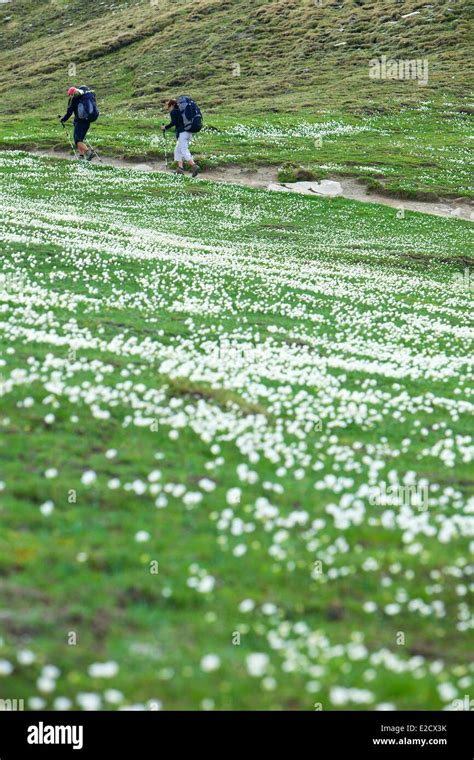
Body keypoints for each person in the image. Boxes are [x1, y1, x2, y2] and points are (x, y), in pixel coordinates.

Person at [162, 99, 200, 177]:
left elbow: (174, 122)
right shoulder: (180, 111)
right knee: (177, 150)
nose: (168, 108)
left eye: (168, 106)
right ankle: (180, 169)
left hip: (182, 133)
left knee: (184, 150)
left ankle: (194, 166)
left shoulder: (174, 111)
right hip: (188, 132)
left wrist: (165, 127)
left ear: (172, 105)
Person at [60, 86, 97, 161]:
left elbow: (69, 113)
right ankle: (81, 156)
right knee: (81, 139)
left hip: (80, 122)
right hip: (88, 120)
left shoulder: (74, 100)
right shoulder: (86, 95)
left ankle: (88, 153)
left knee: (77, 141)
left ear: (71, 94)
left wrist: (63, 119)